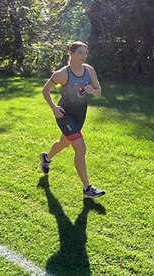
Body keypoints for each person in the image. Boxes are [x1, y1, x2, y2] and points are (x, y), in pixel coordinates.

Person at [40, 41, 105, 199]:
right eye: (81, 52)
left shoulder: (89, 70)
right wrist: (54, 108)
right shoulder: (62, 74)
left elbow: (99, 92)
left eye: (86, 53)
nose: (84, 56)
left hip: (79, 115)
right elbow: (45, 91)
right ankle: (87, 188)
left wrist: (93, 91)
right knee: (81, 148)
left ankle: (46, 158)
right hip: (64, 115)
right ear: (71, 53)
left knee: (64, 143)